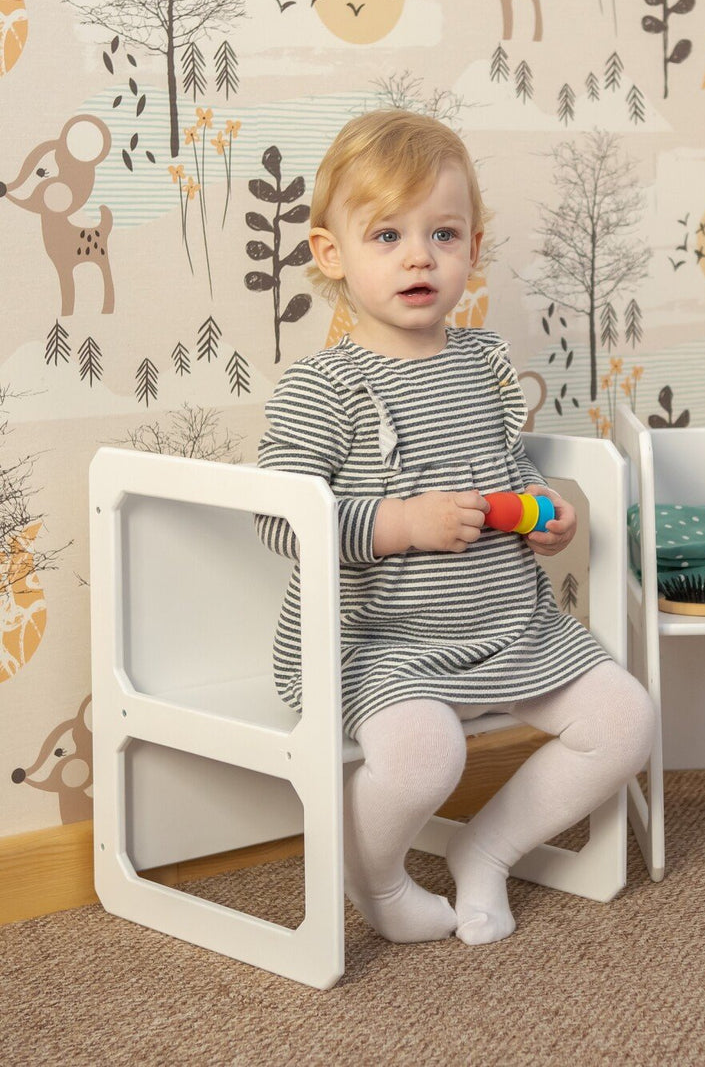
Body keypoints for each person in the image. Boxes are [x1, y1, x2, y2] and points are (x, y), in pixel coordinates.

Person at [255, 110, 656, 947]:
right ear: (332, 256)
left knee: (626, 721)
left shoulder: (482, 364)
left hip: (506, 626)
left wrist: (544, 509)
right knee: (422, 755)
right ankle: (376, 878)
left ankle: (489, 849)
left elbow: (505, 467)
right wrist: (399, 523)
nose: (418, 257)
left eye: (443, 233)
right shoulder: (322, 388)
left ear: (472, 249)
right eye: (387, 235)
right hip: (378, 643)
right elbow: (280, 516)